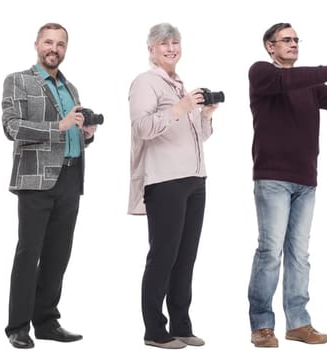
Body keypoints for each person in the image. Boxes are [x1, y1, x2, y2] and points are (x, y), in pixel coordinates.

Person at [245, 22, 327, 348]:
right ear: (270, 46)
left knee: (299, 255)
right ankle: (262, 326)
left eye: (296, 39)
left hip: (305, 181)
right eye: (286, 39)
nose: (293, 43)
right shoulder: (262, 73)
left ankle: (298, 323)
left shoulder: (308, 83)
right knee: (270, 252)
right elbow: (288, 80)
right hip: (272, 179)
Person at [0, 22, 93, 349]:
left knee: (58, 254)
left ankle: (47, 321)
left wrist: (86, 135)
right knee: (29, 253)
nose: (55, 49)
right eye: (49, 42)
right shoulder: (18, 81)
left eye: (61, 44)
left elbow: (72, 132)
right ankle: (18, 327)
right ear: (37, 44)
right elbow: (12, 127)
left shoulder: (71, 88)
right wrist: (59, 125)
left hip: (70, 176)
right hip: (35, 180)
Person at [127, 23, 217, 350]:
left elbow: (200, 137)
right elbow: (142, 128)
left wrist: (205, 114)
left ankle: (182, 324)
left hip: (195, 179)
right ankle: (154, 330)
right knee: (163, 255)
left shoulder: (180, 85)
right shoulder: (145, 83)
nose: (171, 48)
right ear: (151, 49)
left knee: (186, 257)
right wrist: (179, 109)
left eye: (175, 42)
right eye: (163, 43)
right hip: (164, 180)